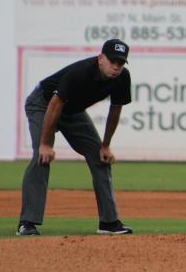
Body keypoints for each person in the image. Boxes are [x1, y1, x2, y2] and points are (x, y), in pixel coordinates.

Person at [17, 39, 133, 236]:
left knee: (100, 158)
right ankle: (27, 222)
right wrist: (46, 144)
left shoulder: (122, 78)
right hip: (43, 104)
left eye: (120, 63)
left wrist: (105, 145)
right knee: (41, 157)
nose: (116, 67)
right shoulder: (81, 72)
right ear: (100, 59)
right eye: (112, 61)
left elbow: (115, 111)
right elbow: (55, 104)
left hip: (72, 111)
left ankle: (109, 222)